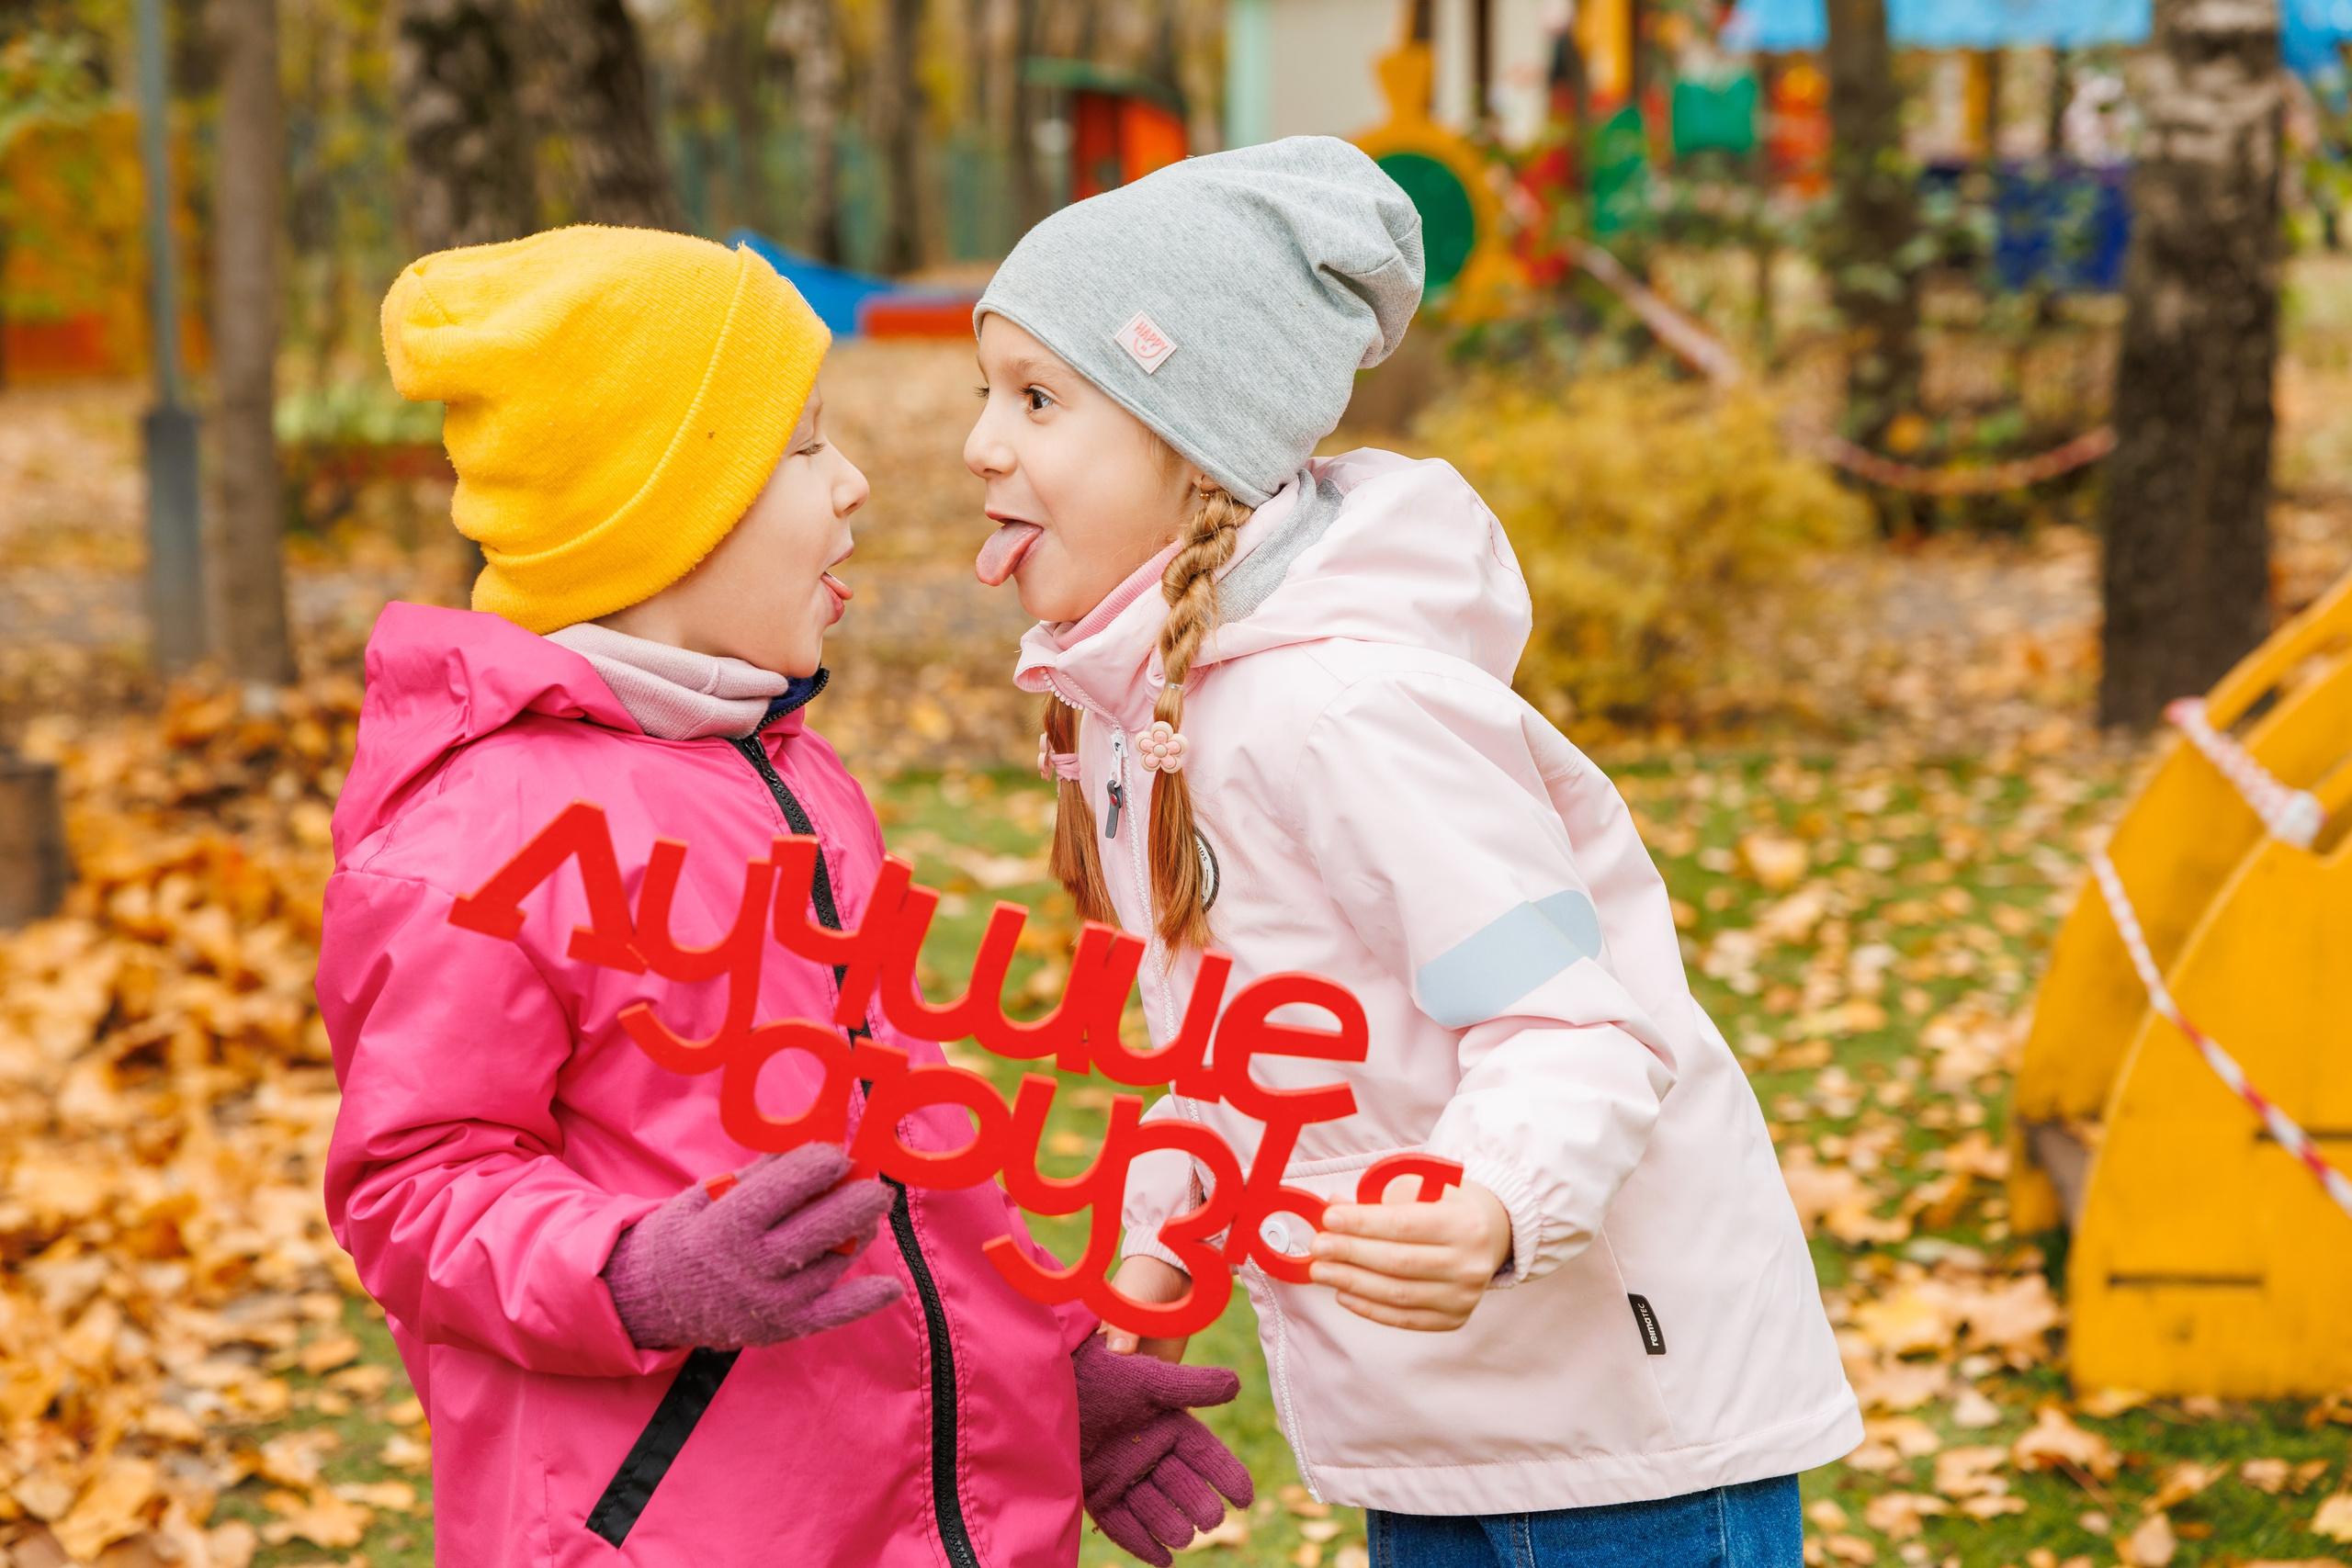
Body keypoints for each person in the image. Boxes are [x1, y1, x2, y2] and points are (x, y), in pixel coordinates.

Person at [963, 140, 1861, 1568]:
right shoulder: (1146, 715)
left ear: (1192, 439)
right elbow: (1226, 1052)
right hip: (1438, 1433)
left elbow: (1576, 1022)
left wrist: (1496, 1203)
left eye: (1038, 398)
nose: (981, 445)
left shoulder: (1347, 713)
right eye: (986, 394)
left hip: (1620, 1442)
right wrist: (1154, 1259)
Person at [320, 225, 1250, 1566]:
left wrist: (1046, 1381)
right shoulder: (481, 832)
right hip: (674, 1526)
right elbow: (412, 1190)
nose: (856, 483)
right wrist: (631, 1273)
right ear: (665, 510)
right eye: (806, 447)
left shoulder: (798, 775)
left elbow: (913, 1146)